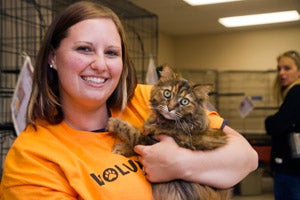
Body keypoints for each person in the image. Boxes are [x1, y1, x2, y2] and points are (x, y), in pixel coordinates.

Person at [0, 1, 258, 199]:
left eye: (111, 52)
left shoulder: (147, 100)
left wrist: (178, 164)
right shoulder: (33, 158)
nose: (100, 64)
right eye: (84, 49)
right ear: (53, 58)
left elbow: (246, 158)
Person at [265, 50, 300, 200]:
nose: (281, 73)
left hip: (291, 170)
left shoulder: (296, 91)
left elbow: (276, 125)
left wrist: (269, 120)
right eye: (279, 68)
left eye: (287, 68)